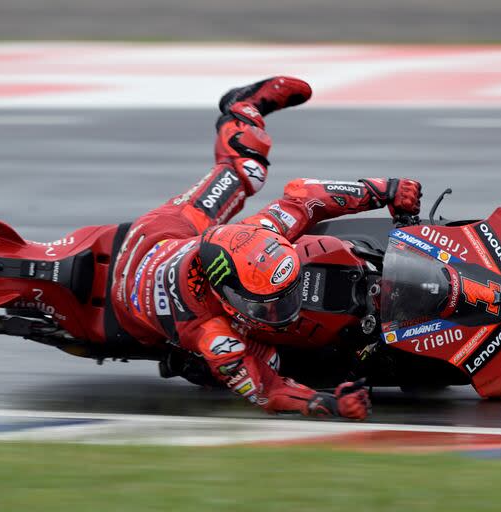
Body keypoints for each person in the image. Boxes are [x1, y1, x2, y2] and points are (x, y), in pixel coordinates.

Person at [111, 77, 422, 420]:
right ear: (227, 296)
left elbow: (307, 196)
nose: (286, 309)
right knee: (268, 361)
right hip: (140, 287)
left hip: (168, 234)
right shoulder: (212, 333)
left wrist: (385, 190)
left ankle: (242, 107)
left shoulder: (258, 232)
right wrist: (327, 403)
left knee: (248, 170)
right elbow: (267, 390)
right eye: (266, 306)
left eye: (284, 296)